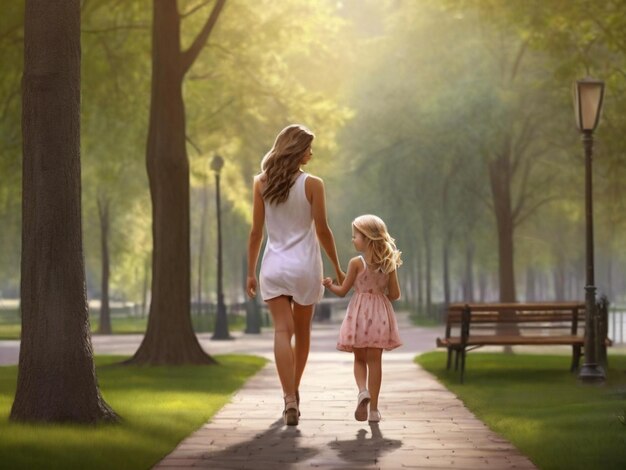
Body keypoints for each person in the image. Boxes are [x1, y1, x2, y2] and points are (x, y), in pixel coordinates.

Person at [247, 124, 345, 426]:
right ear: (297, 150)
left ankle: (289, 397)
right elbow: (323, 230)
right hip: (305, 267)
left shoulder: (261, 182)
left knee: (281, 331)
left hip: (274, 266)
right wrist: (338, 268)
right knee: (302, 332)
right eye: (308, 148)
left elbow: (256, 233)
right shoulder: (313, 184)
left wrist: (250, 272)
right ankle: (295, 392)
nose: (311, 153)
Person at [323, 214, 402, 423]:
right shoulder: (388, 263)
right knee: (375, 362)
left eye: (355, 236)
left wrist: (330, 285)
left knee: (359, 359)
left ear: (367, 238)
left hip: (358, 314)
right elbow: (395, 295)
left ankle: (362, 391)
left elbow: (342, 291)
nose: (353, 240)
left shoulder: (356, 263)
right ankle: (374, 411)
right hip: (380, 316)